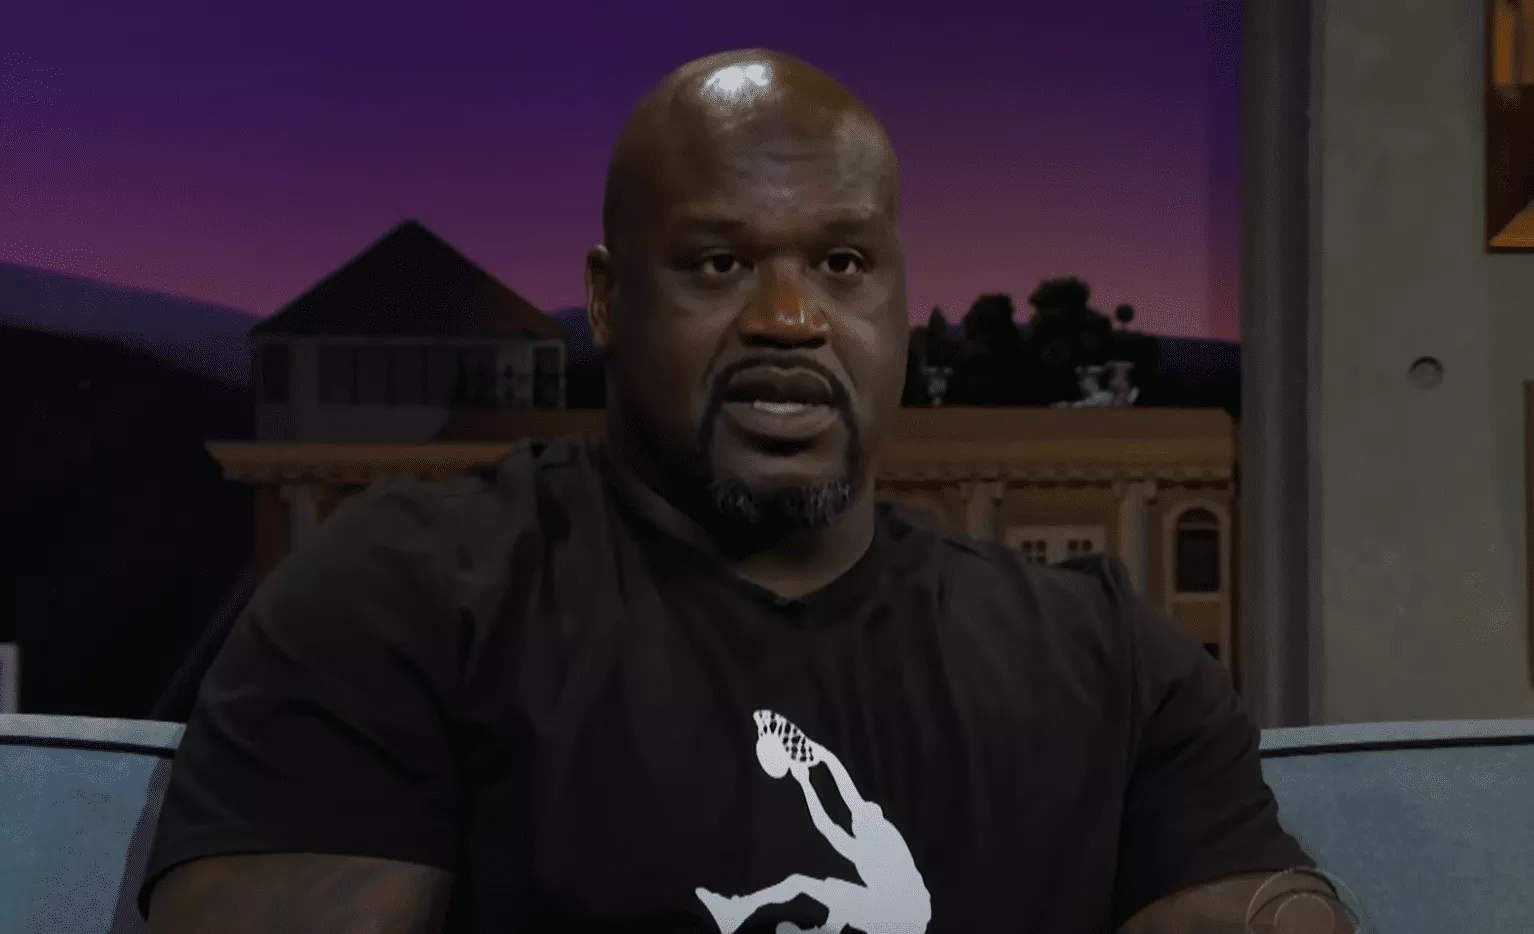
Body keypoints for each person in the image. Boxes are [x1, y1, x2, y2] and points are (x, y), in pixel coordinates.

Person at [142, 50, 1352, 934]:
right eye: (718, 263)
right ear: (609, 300)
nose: (787, 318)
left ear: (899, 303)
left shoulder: (1108, 662)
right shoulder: (402, 598)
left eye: (842, 262)